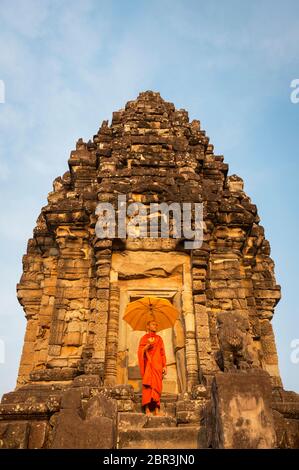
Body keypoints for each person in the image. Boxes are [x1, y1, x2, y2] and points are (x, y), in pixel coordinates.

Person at [137, 320, 167, 416]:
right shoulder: (144, 338)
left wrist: (164, 365)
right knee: (148, 387)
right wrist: (145, 348)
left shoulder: (159, 339)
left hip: (157, 365)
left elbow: (162, 353)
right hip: (148, 366)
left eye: (156, 324)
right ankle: (147, 409)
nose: (155, 326)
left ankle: (157, 410)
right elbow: (140, 352)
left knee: (157, 387)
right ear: (148, 326)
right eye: (153, 324)